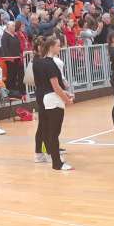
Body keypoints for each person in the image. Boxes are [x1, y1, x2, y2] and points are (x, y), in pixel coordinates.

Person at [32, 36, 73, 171]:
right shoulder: (50, 64)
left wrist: (65, 94)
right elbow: (55, 87)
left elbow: (50, 85)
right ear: (51, 47)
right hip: (53, 99)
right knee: (53, 132)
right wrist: (67, 100)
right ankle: (57, 163)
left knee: (50, 131)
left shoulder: (42, 62)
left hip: (47, 97)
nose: (60, 48)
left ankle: (54, 159)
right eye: (58, 45)